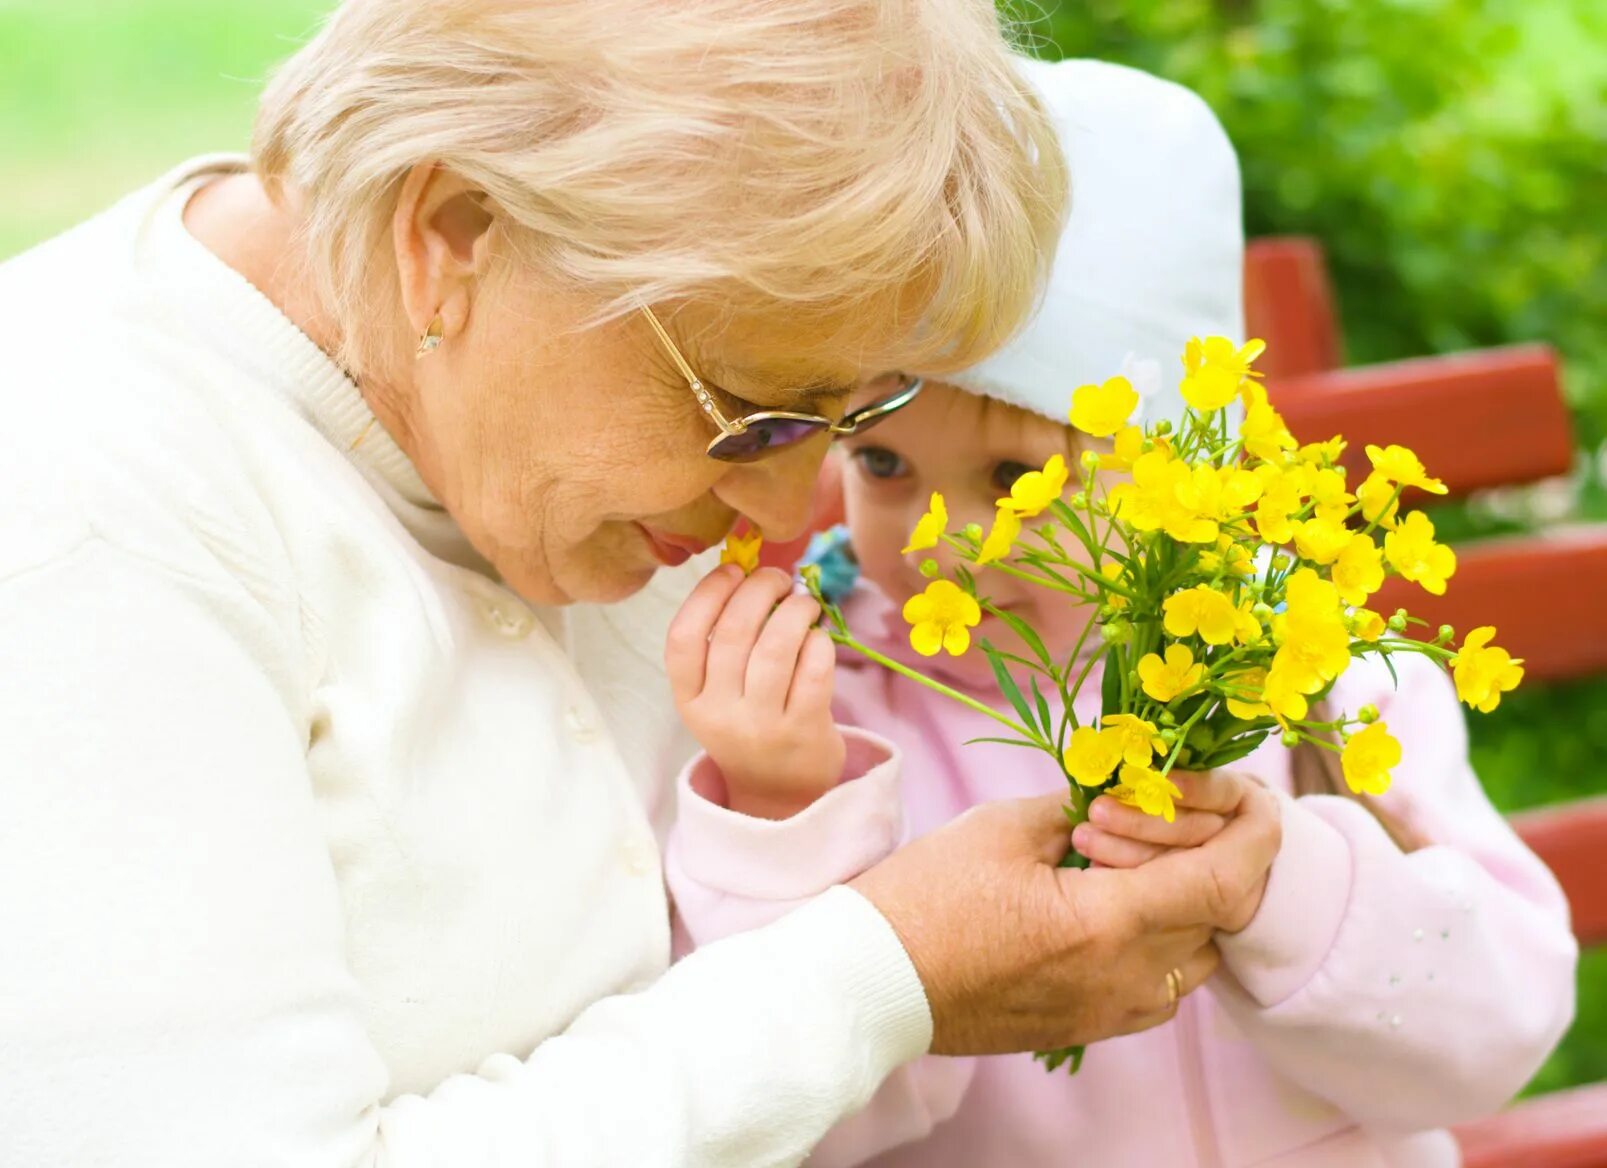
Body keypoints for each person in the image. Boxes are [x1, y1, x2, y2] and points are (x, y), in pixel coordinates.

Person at [0, 5, 1287, 1166]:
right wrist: (880, 975)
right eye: (746, 407)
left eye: (847, 418)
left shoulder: (538, 380)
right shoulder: (86, 509)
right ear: (449, 232)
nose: (789, 512)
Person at [664, 58, 1577, 1167]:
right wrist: (777, 805)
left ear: (1191, 467)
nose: (935, 536)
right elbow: (788, 1117)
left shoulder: (1312, 673)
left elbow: (1492, 1043)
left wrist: (1278, 882)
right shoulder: (835, 727)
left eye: (1013, 481)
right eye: (883, 461)